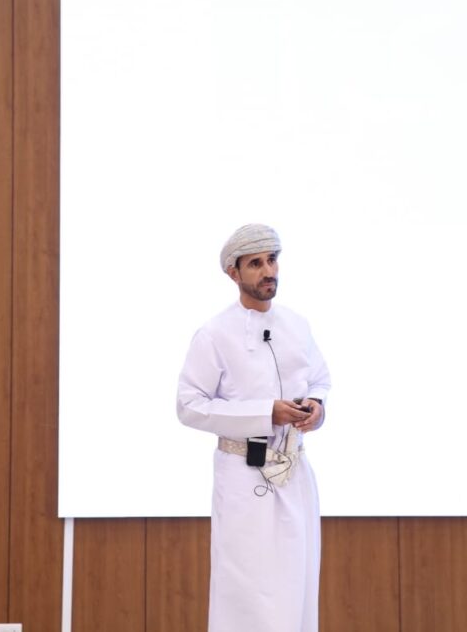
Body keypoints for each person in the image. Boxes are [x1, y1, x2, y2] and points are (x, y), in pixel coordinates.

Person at [177, 223, 331, 632]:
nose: (268, 271)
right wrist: (266, 414)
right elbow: (189, 405)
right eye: (256, 263)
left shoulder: (297, 325)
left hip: (294, 472)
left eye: (272, 260)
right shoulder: (214, 334)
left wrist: (316, 408)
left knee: (296, 582)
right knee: (248, 588)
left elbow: (319, 380)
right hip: (243, 478)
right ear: (234, 272)